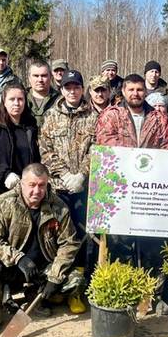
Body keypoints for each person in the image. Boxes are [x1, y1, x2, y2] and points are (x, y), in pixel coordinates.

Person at [96, 74, 168, 314]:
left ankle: (153, 295)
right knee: (121, 245)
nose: (136, 93)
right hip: (119, 190)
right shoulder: (111, 115)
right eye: (130, 89)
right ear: (123, 91)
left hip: (150, 191)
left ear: (145, 91)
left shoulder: (158, 118)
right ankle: (126, 294)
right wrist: (135, 158)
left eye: (140, 89)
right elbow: (104, 142)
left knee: (152, 244)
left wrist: (153, 164)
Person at [0, 163, 82, 337]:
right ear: (22, 183)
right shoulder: (5, 202)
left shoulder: (59, 206)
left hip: (42, 270)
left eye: (42, 185)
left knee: (75, 279)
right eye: (32, 185)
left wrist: (54, 277)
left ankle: (36, 297)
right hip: (11, 267)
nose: (37, 191)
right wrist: (18, 258)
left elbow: (69, 244)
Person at [40, 70, 97, 313]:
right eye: (67, 87)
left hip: (82, 190)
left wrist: (82, 174)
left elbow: (97, 148)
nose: (72, 91)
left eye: (76, 87)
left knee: (81, 240)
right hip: (58, 189)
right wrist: (63, 174)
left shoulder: (93, 116)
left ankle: (76, 292)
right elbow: (45, 149)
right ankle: (56, 287)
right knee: (56, 239)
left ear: (82, 89)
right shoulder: (51, 116)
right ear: (61, 89)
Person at [0, 83, 41, 221]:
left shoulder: (30, 127)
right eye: (12, 99)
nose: (16, 103)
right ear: (4, 101)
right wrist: (5, 175)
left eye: (20, 99)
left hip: (24, 194)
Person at [26, 60, 60, 128]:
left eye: (44, 76)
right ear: (29, 78)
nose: (40, 80)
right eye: (36, 76)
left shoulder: (60, 100)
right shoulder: (21, 98)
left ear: (50, 77)